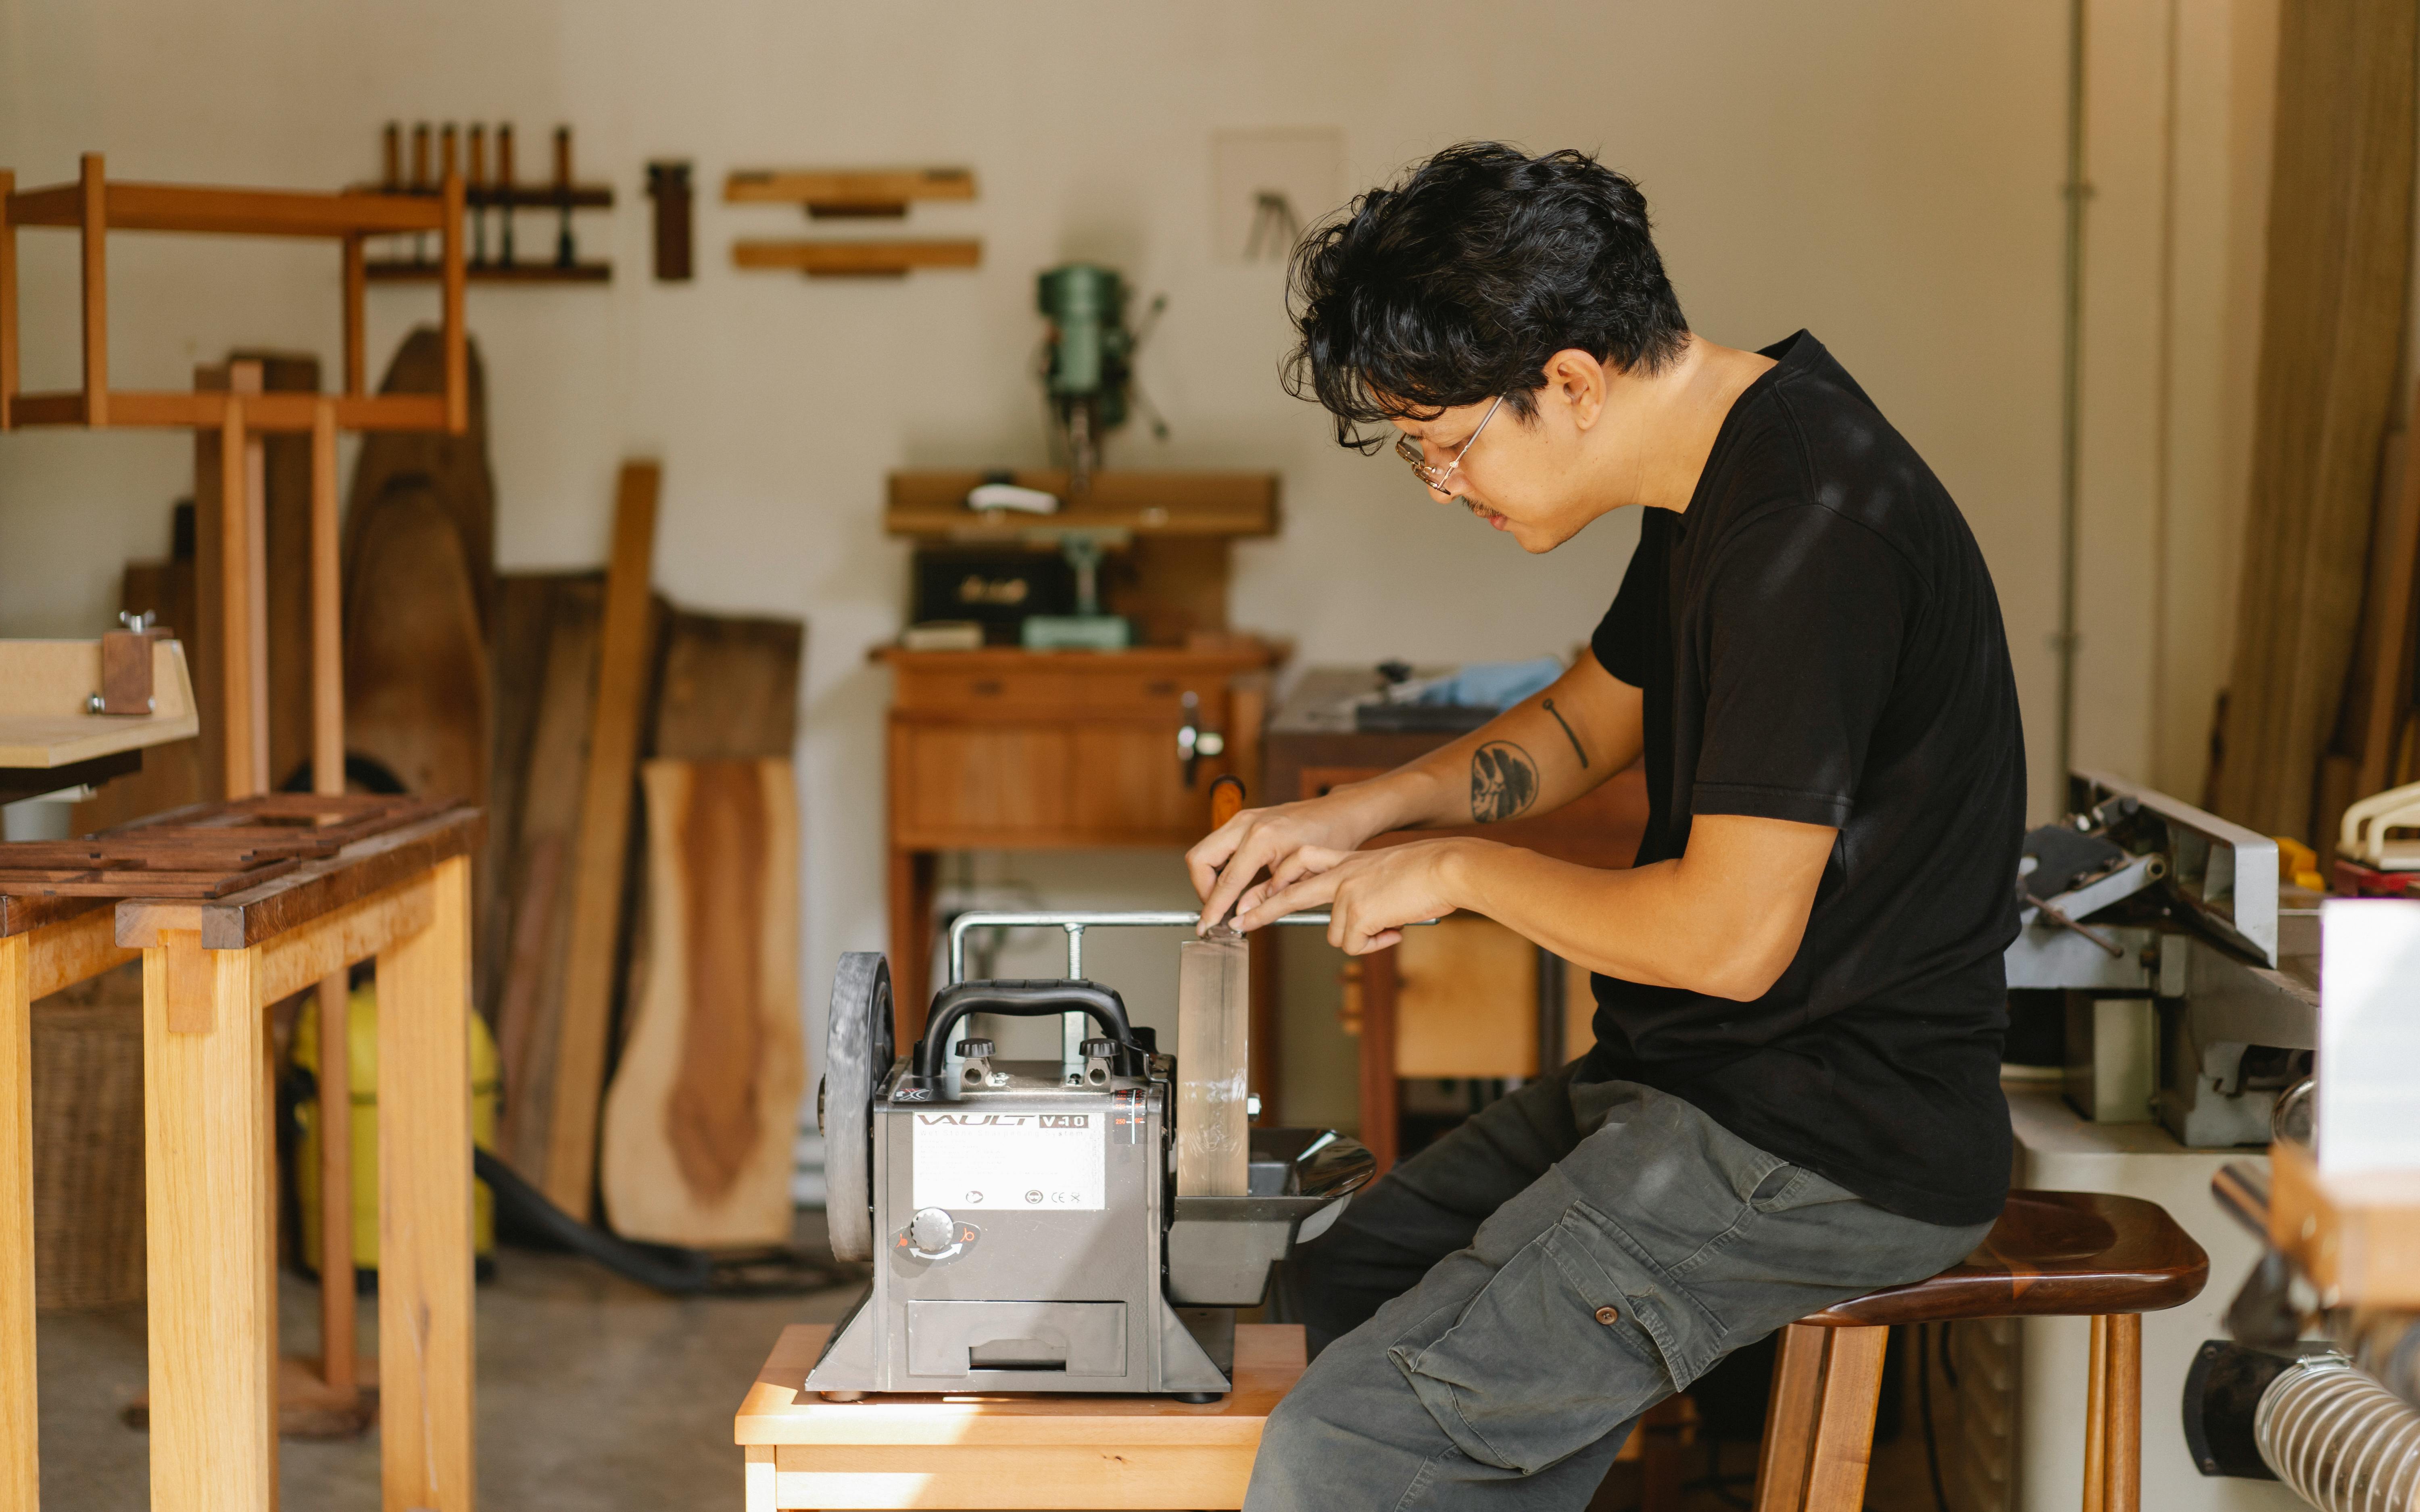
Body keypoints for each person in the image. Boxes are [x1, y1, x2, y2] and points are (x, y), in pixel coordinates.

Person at [1186, 144, 2026, 1509]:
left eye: (1446, 448)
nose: (1444, 489)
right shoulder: (1725, 469)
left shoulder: (1808, 527)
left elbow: (1729, 940)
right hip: (1697, 1088)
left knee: (1347, 1449)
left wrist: (1452, 868)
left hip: (1821, 1144)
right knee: (1339, 1275)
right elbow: (1582, 725)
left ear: (1570, 382)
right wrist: (1358, 817)